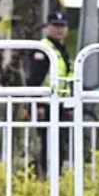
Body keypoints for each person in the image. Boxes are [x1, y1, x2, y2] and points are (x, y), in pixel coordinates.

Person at [25, 11, 73, 177]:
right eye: (55, 26)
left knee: (59, 142)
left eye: (62, 26)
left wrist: (69, 105)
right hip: (45, 104)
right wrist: (36, 104)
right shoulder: (43, 49)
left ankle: (54, 175)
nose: (59, 30)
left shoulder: (61, 49)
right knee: (49, 142)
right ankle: (46, 176)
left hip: (60, 103)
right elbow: (35, 79)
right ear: (47, 27)